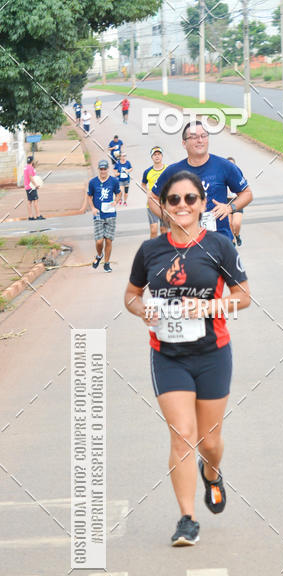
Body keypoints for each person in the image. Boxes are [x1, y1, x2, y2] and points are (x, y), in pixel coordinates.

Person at [124, 172, 251, 546]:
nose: (182, 206)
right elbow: (131, 296)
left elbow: (243, 297)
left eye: (190, 199)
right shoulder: (150, 251)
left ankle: (211, 473)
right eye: (174, 200)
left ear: (201, 203)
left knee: (209, 442)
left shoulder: (218, 246)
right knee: (182, 436)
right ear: (163, 206)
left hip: (212, 353)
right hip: (169, 356)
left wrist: (209, 305)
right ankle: (187, 518)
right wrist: (141, 310)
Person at [149, 121, 252, 242]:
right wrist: (168, 218)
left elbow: (247, 193)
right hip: (186, 242)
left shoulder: (224, 166)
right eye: (194, 137)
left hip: (220, 241)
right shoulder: (173, 171)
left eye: (204, 136)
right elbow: (152, 198)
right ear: (184, 143)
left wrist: (229, 208)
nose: (200, 140)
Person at [87, 159, 121, 273]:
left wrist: (116, 201)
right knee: (99, 241)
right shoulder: (93, 182)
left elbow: (118, 193)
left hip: (110, 213)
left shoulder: (113, 181)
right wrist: (92, 208)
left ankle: (106, 263)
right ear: (98, 169)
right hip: (98, 215)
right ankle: (99, 255)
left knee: (109, 240)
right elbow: (89, 196)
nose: (103, 171)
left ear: (108, 169)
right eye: (101, 169)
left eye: (105, 169)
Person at [141, 146, 167, 238]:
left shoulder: (167, 169)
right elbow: (143, 184)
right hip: (152, 204)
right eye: (155, 155)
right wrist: (147, 191)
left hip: (164, 204)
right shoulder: (147, 172)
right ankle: (152, 251)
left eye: (159, 154)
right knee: (153, 230)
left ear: (162, 156)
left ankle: (165, 251)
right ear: (152, 157)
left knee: (164, 230)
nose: (157, 156)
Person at [226, 156, 244, 247]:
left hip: (237, 201)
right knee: (229, 223)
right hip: (226, 202)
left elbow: (244, 189)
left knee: (236, 223)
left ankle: (237, 235)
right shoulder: (222, 176)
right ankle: (232, 240)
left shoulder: (238, 176)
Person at [23, 156, 44, 221]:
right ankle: (38, 215)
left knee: (29, 201)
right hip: (31, 187)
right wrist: (36, 185)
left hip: (27, 187)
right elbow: (31, 177)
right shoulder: (30, 168)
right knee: (35, 201)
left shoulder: (25, 167)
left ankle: (30, 216)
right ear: (32, 161)